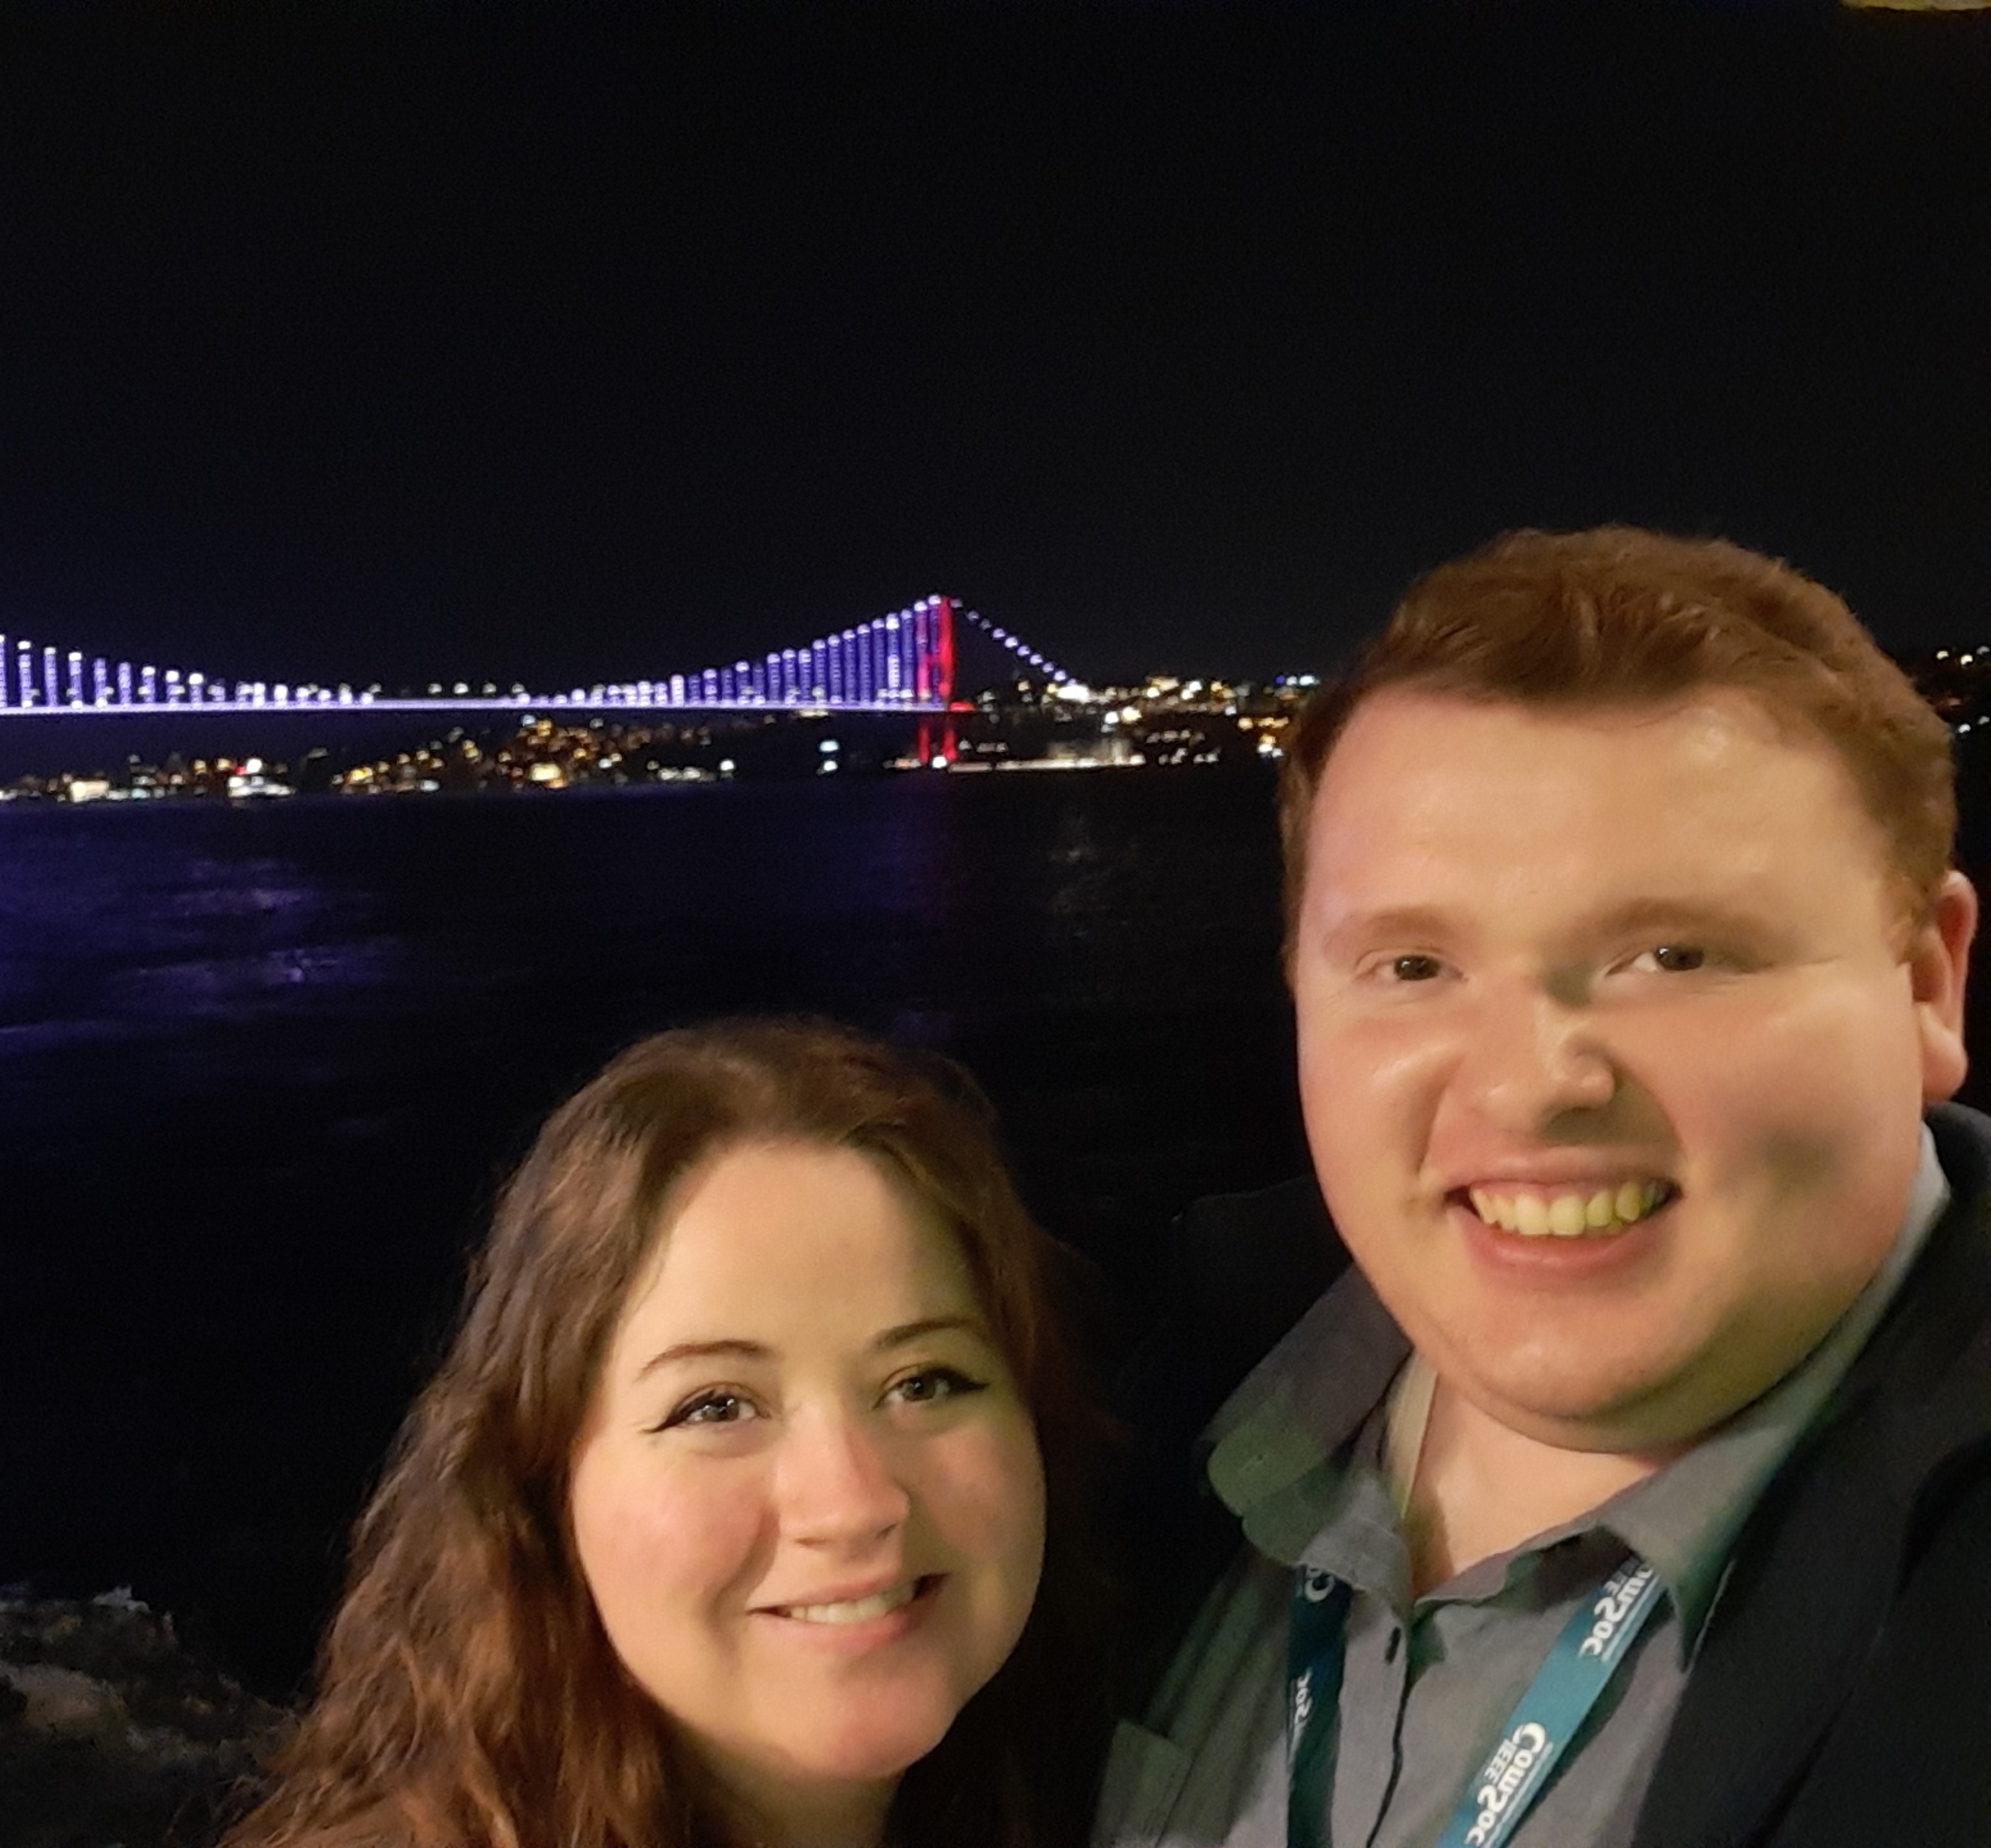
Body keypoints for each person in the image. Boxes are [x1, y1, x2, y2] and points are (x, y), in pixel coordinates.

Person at [1103, 527, 1991, 1847]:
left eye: (1673, 954)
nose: (1527, 1087)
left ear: (1924, 984)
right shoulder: (1128, 1441)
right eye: (1412, 967)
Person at [226, 1017, 1107, 1848]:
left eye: (924, 1382)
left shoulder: (1124, 1789)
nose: (852, 1503)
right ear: (539, 1486)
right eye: (717, 1406)